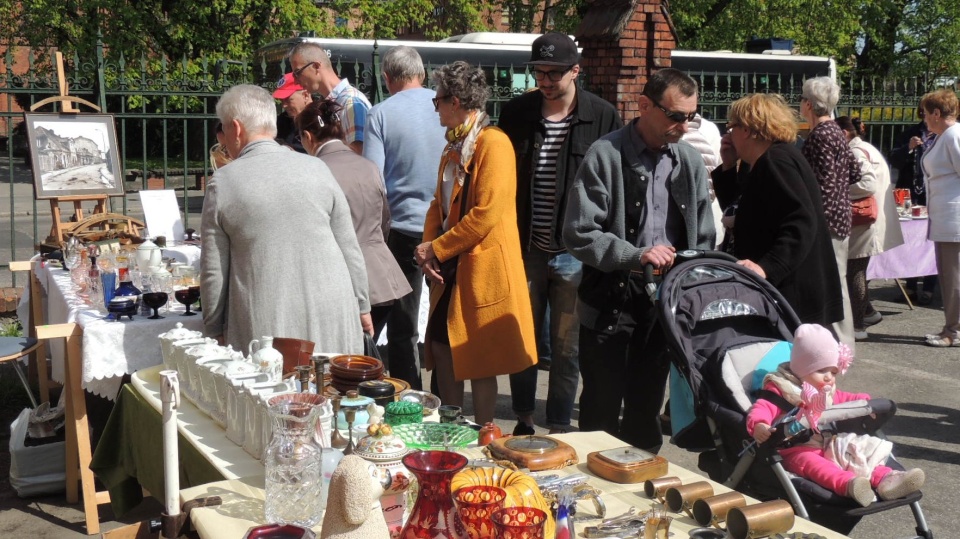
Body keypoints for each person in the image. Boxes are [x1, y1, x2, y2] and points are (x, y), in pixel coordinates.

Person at [563, 68, 715, 453]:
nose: (684, 126)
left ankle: (642, 494)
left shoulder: (688, 161)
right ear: (644, 105)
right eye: (676, 116)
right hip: (611, 297)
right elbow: (579, 232)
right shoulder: (606, 154)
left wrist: (689, 275)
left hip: (664, 299)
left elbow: (705, 236)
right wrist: (635, 255)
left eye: (690, 117)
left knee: (646, 406)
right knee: (600, 405)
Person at [498, 32, 623, 436]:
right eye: (538, 72)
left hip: (575, 250)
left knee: (567, 346)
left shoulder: (602, 116)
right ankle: (522, 418)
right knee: (522, 339)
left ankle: (558, 426)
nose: (546, 80)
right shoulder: (516, 113)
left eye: (554, 72)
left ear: (576, 70)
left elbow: (614, 184)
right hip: (526, 245)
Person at [200, 84, 371, 354]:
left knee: (275, 395)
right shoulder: (317, 168)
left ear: (236, 127)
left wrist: (213, 328)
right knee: (334, 392)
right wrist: (362, 306)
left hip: (268, 326)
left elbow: (214, 270)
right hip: (334, 313)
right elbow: (349, 245)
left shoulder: (224, 181)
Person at [413, 61, 537, 425]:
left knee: (480, 359)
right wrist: (427, 247)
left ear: (454, 101)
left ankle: (485, 433)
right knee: (440, 346)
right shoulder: (454, 143)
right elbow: (439, 202)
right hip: (450, 265)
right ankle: (453, 426)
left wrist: (436, 248)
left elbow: (486, 214)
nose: (434, 106)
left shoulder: (493, 142)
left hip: (481, 268)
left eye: (437, 100)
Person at [747, 324, 925, 507]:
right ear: (801, 370)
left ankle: (886, 479)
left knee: (857, 451)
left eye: (833, 372)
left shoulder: (825, 389)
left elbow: (843, 399)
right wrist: (760, 425)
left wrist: (864, 402)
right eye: (821, 370)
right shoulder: (780, 390)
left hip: (828, 442)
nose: (829, 377)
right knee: (816, 465)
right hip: (795, 448)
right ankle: (849, 485)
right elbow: (762, 408)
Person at [713, 94, 843, 326]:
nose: (728, 134)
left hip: (792, 292)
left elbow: (801, 221)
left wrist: (766, 267)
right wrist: (729, 166)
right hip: (787, 290)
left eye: (731, 127)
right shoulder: (764, 160)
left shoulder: (776, 161)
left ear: (747, 130)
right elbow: (740, 212)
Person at [363, 45, 447, 390]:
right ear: (423, 74)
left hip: (402, 229)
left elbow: (373, 179)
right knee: (445, 321)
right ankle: (448, 395)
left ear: (386, 78)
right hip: (446, 227)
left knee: (403, 323)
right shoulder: (446, 107)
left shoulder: (380, 114)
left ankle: (406, 394)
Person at [298, 98, 412, 336]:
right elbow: (384, 220)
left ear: (308, 137)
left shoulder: (314, 170)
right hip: (382, 276)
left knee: (345, 362)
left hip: (340, 280)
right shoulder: (369, 166)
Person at [799, 76, 861, 349]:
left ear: (810, 105)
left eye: (802, 99)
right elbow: (855, 171)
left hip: (828, 221)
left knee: (834, 283)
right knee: (837, 280)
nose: (800, 103)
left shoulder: (820, 135)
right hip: (840, 217)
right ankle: (838, 342)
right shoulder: (836, 131)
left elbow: (821, 183)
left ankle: (841, 345)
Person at [836, 116, 903, 340]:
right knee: (858, 270)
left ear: (844, 134)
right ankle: (868, 313)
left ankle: (858, 326)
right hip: (870, 218)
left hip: (864, 219)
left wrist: (838, 189)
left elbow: (867, 184)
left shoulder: (855, 152)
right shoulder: (865, 148)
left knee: (855, 271)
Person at [918, 89, 960, 347]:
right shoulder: (945, 136)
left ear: (936, 113)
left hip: (953, 218)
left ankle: (953, 331)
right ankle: (950, 328)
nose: (924, 119)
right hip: (946, 217)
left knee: (953, 278)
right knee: (948, 276)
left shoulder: (953, 135)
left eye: (925, 114)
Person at [287, 42, 372, 154]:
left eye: (297, 73)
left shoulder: (351, 102)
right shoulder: (332, 102)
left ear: (316, 66)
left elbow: (357, 156)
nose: (296, 80)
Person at [890, 109, 938, 304]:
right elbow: (893, 159)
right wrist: (908, 148)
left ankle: (928, 289)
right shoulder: (911, 133)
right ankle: (910, 287)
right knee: (911, 240)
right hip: (909, 193)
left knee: (932, 241)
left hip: (933, 194)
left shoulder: (946, 135)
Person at [272, 72, 311, 153]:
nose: (284, 105)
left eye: (287, 100)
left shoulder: (322, 120)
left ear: (305, 96)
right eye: (281, 101)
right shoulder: (282, 121)